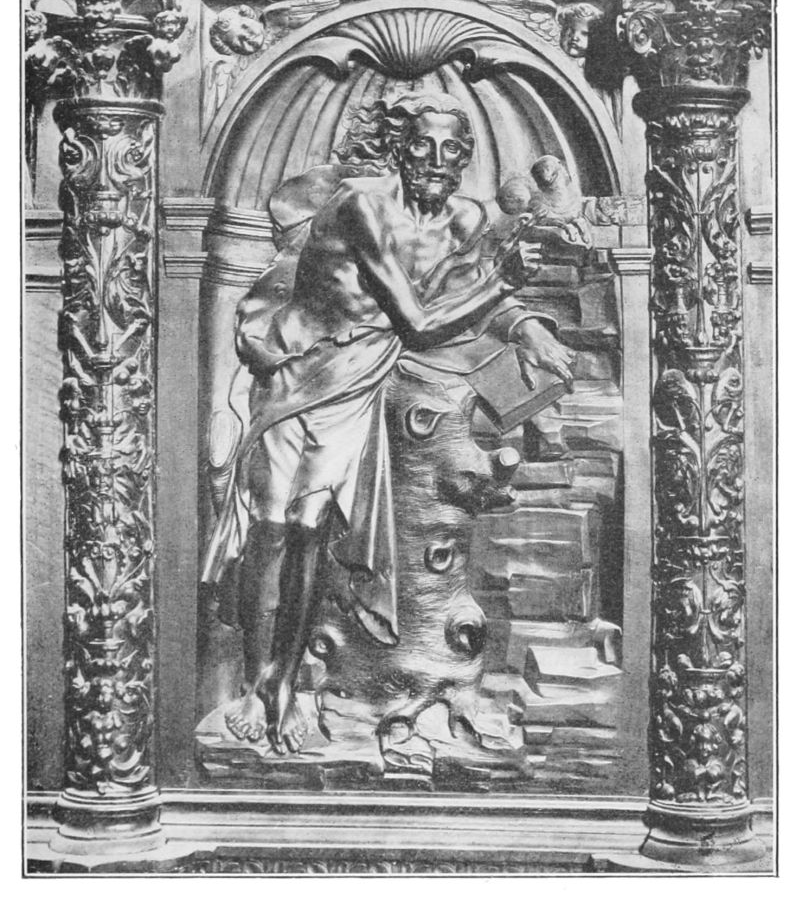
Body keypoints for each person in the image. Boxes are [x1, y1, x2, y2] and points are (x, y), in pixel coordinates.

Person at [203, 94, 575, 753]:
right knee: (275, 528)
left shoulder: (465, 218)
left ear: (466, 159)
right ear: (401, 151)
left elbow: (462, 287)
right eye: (422, 146)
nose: (436, 160)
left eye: (452, 150)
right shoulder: (362, 205)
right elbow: (421, 320)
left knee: (311, 532)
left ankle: (286, 684)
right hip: (306, 372)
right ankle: (260, 687)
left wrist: (526, 326)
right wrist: (502, 281)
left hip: (367, 379)